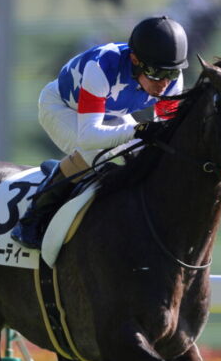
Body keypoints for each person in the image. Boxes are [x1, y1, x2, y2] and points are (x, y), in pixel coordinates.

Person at [11, 15, 188, 249]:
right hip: (62, 108)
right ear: (135, 60)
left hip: (109, 114)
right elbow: (89, 137)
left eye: (171, 74)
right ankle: (32, 218)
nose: (164, 84)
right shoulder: (102, 67)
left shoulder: (173, 79)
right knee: (96, 153)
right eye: (156, 73)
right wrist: (137, 129)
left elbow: (165, 134)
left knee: (146, 156)